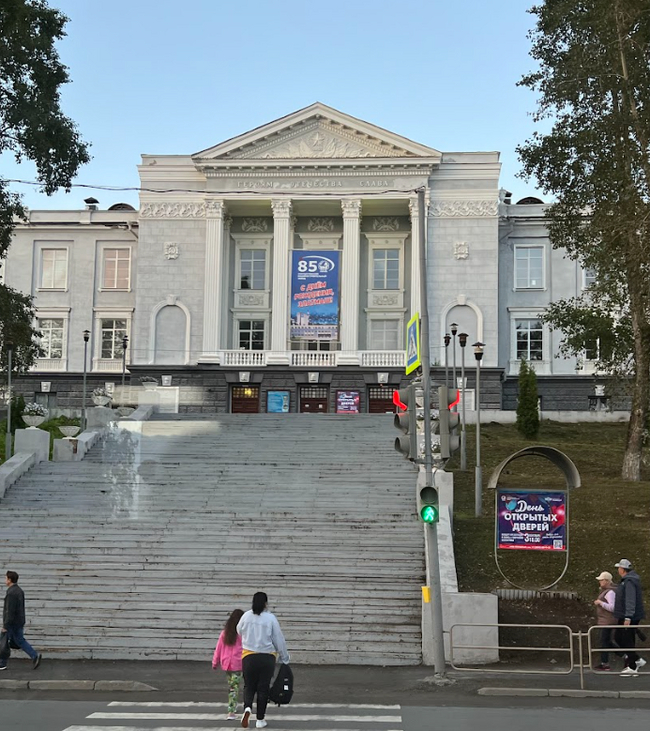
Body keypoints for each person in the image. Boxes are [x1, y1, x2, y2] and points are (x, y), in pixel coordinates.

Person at [237, 592, 290, 730]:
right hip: (267, 658)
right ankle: (260, 720)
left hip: (249, 657)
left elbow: (238, 630)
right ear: (265, 603)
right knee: (263, 688)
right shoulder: (270, 618)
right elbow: (278, 639)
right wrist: (285, 657)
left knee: (249, 686)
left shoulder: (246, 616)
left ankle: (247, 708)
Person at [0, 571, 42, 671]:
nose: (5, 580)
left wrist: (6, 625)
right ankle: (34, 656)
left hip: (12, 623)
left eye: (6, 578)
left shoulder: (11, 592)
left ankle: (2, 663)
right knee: (19, 640)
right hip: (18, 621)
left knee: (3, 641)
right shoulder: (19, 590)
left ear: (9, 580)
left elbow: (10, 610)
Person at [613, 559, 646, 676]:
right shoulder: (627, 581)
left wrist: (628, 617)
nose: (618, 570)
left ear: (622, 569)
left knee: (625, 638)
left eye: (619, 568)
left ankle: (633, 664)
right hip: (626, 614)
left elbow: (630, 600)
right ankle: (635, 661)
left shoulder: (629, 582)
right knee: (622, 638)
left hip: (628, 615)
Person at [213, 609, 245, 721]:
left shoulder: (225, 633)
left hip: (227, 664)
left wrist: (215, 661)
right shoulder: (242, 634)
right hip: (238, 664)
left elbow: (218, 648)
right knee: (234, 687)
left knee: (232, 687)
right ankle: (231, 711)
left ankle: (233, 706)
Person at [593, 571, 617, 670]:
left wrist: (600, 603)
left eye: (601, 580)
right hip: (605, 621)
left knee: (604, 642)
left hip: (607, 621)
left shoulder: (610, 592)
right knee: (606, 641)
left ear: (606, 581)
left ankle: (605, 663)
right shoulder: (606, 591)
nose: (600, 582)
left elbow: (612, 607)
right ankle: (625, 655)